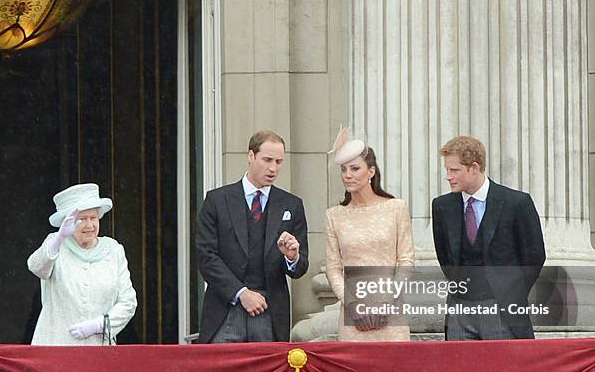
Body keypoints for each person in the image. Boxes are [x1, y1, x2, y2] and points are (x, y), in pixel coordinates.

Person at [196, 130, 309, 343]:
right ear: (251, 156)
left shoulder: (291, 205)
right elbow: (206, 256)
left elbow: (300, 266)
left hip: (270, 314)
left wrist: (292, 257)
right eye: (267, 160)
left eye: (279, 162)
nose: (273, 168)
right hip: (225, 310)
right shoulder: (217, 201)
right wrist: (241, 293)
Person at [432, 135, 546, 340]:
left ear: (474, 168)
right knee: (460, 371)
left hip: (503, 308)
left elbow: (534, 256)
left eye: (454, 170)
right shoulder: (442, 206)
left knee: (504, 370)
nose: (448, 176)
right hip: (460, 308)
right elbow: (445, 257)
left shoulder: (517, 202)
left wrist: (511, 295)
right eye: (447, 170)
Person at [325, 126, 415, 341]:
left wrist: (386, 302)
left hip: (391, 316)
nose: (348, 175)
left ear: (371, 172)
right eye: (344, 170)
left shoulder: (396, 208)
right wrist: (352, 305)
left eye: (355, 169)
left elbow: (406, 261)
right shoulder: (335, 215)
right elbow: (333, 268)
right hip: (352, 318)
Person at [27, 183, 137, 345]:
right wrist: (59, 238)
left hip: (98, 349)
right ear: (68, 222)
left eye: (93, 218)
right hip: (56, 348)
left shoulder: (114, 250)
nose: (89, 225)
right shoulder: (55, 245)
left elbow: (128, 302)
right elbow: (36, 267)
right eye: (81, 219)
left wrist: (99, 325)